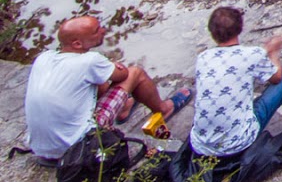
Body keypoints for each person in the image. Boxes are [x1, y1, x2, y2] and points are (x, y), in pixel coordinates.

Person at [24, 15, 191, 162]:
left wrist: (105, 68)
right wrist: (111, 65)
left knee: (94, 78)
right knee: (135, 73)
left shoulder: (44, 57)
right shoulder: (89, 61)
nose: (103, 31)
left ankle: (123, 108)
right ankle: (163, 109)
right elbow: (123, 75)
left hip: (43, 150)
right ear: (77, 43)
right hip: (79, 146)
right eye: (96, 31)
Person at [188, 6, 282, 159]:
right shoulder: (251, 54)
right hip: (238, 142)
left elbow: (238, 62)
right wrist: (274, 52)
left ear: (211, 32)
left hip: (201, 144)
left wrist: (264, 51)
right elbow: (277, 77)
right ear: (240, 28)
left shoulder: (203, 58)